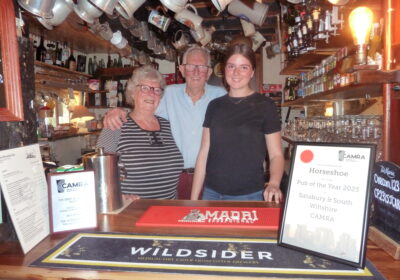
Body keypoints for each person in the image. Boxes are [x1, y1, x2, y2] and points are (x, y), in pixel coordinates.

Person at [103, 46, 226, 199]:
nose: (195, 72)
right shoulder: (169, 93)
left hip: (210, 178)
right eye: (190, 66)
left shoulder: (222, 97)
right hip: (176, 181)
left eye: (201, 67)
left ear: (208, 72)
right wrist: (117, 111)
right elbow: (100, 171)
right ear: (182, 70)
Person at [190, 43, 284, 202]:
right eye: (231, 66)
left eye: (244, 67)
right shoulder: (214, 105)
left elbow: (276, 155)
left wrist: (274, 183)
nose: (236, 72)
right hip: (212, 193)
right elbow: (203, 154)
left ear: (252, 72)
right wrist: (193, 199)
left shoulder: (265, 106)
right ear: (224, 69)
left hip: (249, 195)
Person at [96, 65, 183, 200]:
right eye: (144, 88)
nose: (151, 93)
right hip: (133, 211)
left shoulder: (168, 126)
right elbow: (98, 173)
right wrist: (117, 196)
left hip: (168, 208)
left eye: (156, 90)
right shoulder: (116, 125)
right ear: (132, 93)